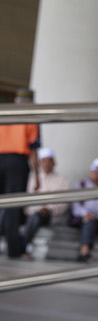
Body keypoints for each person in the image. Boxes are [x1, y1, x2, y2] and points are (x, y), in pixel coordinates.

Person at [0, 88, 41, 259]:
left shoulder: (4, 114)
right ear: (31, 102)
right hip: (17, 162)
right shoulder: (30, 116)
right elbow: (33, 149)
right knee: (13, 206)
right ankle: (13, 249)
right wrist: (37, 175)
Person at [21, 147, 71, 250]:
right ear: (39, 163)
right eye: (44, 161)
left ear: (54, 163)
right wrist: (38, 209)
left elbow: (64, 203)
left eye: (49, 161)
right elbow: (28, 200)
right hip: (33, 214)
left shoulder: (62, 180)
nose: (46, 164)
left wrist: (49, 208)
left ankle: (23, 245)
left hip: (51, 215)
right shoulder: (34, 179)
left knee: (36, 217)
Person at [70, 157, 98, 262]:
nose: (96, 172)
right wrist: (86, 213)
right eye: (94, 168)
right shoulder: (81, 185)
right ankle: (84, 252)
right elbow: (76, 206)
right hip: (83, 218)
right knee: (89, 221)